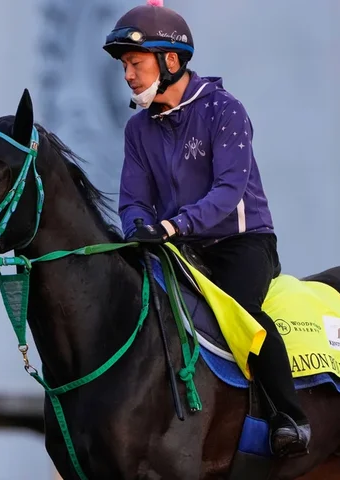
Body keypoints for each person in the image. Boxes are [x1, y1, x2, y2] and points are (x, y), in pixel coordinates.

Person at [102, 0, 311, 458]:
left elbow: (229, 191)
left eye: (135, 63)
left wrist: (173, 225)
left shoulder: (225, 110)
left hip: (242, 243)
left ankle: (289, 417)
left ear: (170, 61)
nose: (128, 75)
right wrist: (138, 228)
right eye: (125, 67)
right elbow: (133, 200)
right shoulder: (138, 129)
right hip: (179, 245)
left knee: (240, 315)